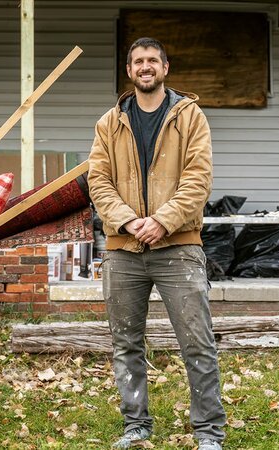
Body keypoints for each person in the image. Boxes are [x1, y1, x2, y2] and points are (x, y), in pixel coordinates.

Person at [87, 37, 226, 450]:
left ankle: (208, 432)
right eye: (138, 62)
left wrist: (163, 222)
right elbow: (99, 181)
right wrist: (129, 221)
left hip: (179, 247)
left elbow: (198, 180)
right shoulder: (109, 123)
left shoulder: (190, 117)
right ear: (130, 71)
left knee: (197, 342)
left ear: (165, 68)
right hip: (123, 250)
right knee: (125, 343)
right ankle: (136, 426)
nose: (145, 67)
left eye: (152, 60)